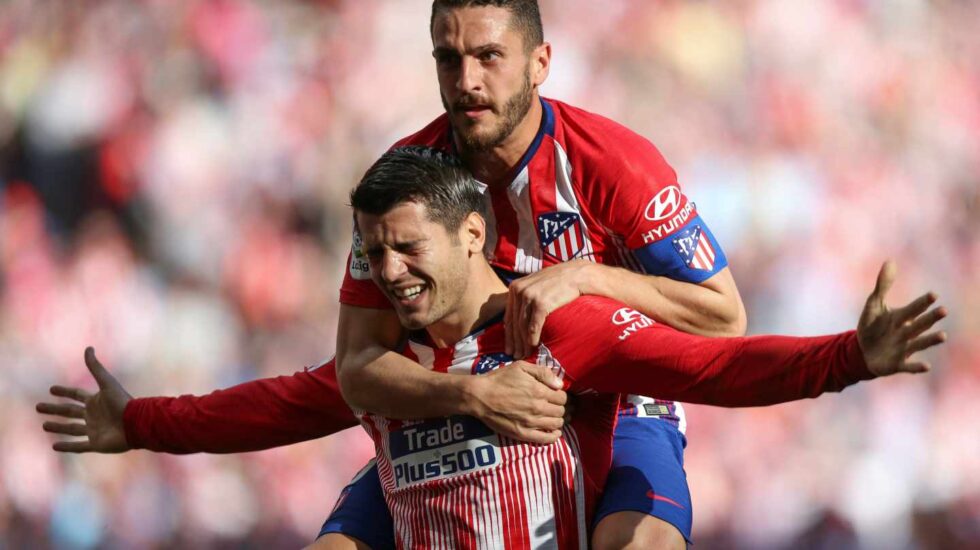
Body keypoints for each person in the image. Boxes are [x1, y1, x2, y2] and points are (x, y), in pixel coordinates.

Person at [32, 0, 903, 547]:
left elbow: (720, 334)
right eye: (448, 57)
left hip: (608, 379)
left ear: (538, 62)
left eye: (487, 55)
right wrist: (142, 422)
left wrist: (589, 279)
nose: (466, 78)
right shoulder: (402, 191)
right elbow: (346, 375)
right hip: (455, 397)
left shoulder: (614, 164)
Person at [341, 145, 943, 548]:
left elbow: (717, 362)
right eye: (374, 255)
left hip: (636, 423)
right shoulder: (381, 372)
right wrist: (470, 395)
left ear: (472, 235)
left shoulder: (564, 324)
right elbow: (283, 403)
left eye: (408, 249)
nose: (389, 272)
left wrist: (849, 357)